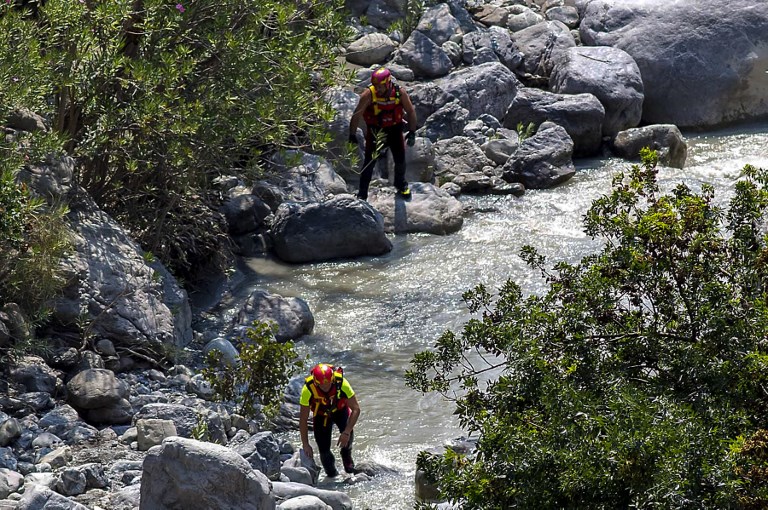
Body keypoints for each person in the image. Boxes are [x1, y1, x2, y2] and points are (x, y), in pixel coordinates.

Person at [348, 67, 418, 201]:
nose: (377, 89)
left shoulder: (399, 93)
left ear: (387, 83)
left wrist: (412, 131)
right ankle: (362, 193)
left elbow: (410, 111)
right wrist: (352, 134)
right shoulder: (368, 94)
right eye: (375, 86)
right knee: (369, 163)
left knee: (400, 161)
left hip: (395, 130)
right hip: (376, 131)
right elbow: (357, 115)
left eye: (380, 86)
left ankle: (401, 184)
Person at [299, 363, 361, 476]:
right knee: (324, 451)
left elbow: (356, 409)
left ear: (332, 379)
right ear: (316, 383)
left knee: (348, 438)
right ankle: (332, 476)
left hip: (340, 411)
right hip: (321, 416)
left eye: (328, 384)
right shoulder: (308, 389)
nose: (326, 387)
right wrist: (305, 444)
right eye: (322, 385)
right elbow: (303, 419)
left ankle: (346, 458)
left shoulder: (342, 383)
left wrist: (346, 432)